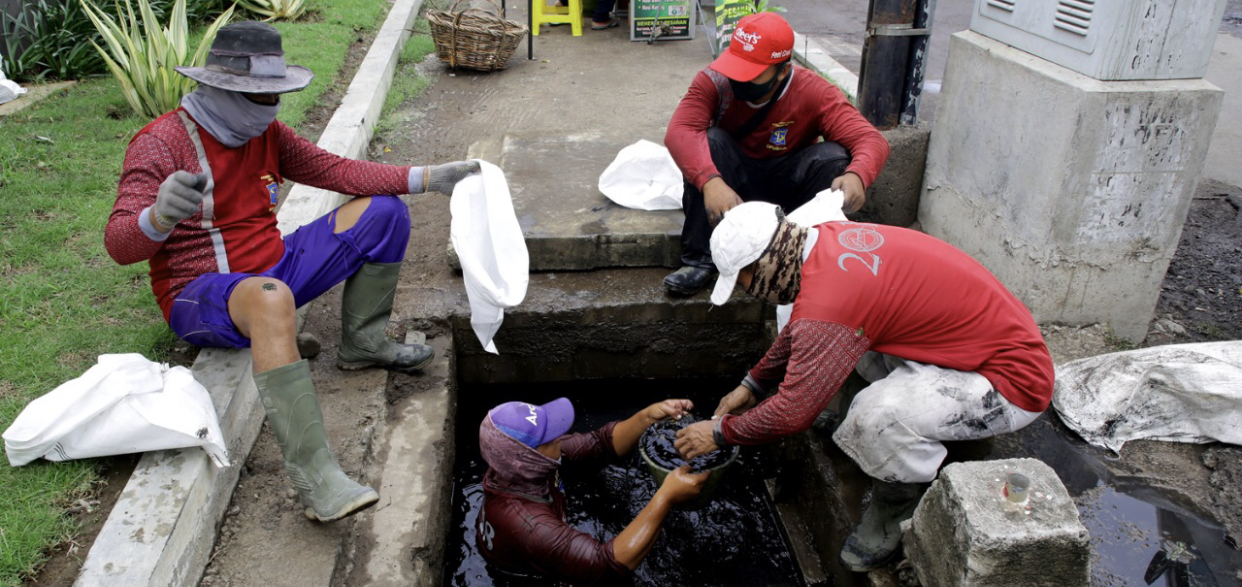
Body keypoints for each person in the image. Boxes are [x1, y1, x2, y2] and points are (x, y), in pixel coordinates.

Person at [103, 21, 480, 522]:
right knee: (271, 296)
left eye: (275, 96)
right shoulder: (162, 143)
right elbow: (119, 244)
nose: (270, 108)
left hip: (273, 271)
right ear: (218, 87)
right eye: (259, 97)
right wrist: (159, 216)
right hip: (201, 295)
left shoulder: (267, 132)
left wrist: (429, 178)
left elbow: (336, 170)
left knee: (384, 212)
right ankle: (315, 477)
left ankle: (363, 344)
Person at [673, 202, 1055, 572]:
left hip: (1010, 383)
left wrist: (720, 433)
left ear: (767, 262)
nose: (749, 292)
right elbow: (804, 330)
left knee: (874, 417)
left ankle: (895, 510)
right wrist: (754, 384)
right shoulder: (822, 242)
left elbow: (793, 413)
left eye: (744, 280)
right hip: (975, 342)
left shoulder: (830, 304)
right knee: (844, 344)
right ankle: (858, 421)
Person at [662, 12, 891, 296]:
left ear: (782, 70)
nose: (738, 77)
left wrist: (858, 174)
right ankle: (701, 259)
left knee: (833, 157)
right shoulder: (714, 82)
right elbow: (680, 131)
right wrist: (710, 181)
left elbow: (870, 139)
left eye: (752, 71)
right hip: (734, 187)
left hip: (788, 187)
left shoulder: (814, 92)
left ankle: (809, 258)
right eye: (736, 66)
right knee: (709, 142)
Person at [477, 397, 709, 585]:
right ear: (529, 460)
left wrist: (647, 416)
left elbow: (599, 443)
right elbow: (606, 565)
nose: (558, 436)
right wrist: (665, 497)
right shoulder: (532, 528)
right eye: (548, 437)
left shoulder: (518, 467)